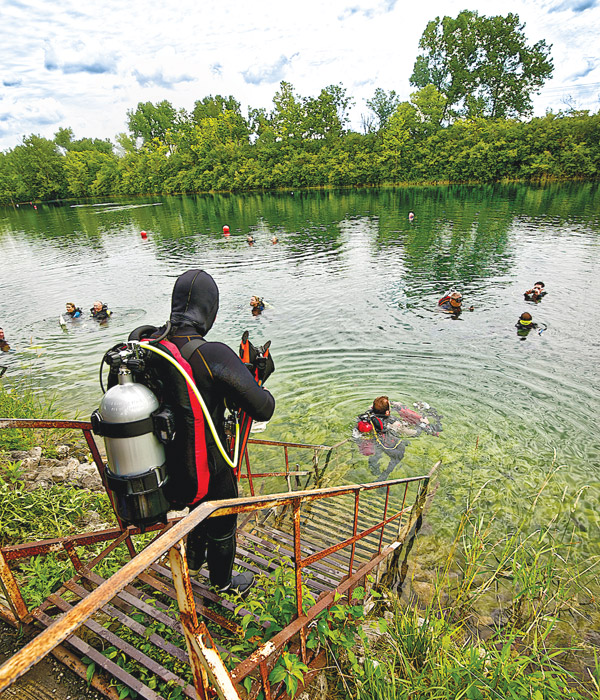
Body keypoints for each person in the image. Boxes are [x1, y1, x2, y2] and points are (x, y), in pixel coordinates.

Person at [157, 270, 275, 594]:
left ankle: (193, 562)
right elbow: (263, 407)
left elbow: (196, 387)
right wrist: (262, 373)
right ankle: (223, 583)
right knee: (222, 522)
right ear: (210, 308)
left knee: (196, 510)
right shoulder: (211, 354)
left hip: (167, 465)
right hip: (208, 466)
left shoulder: (153, 345)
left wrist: (241, 373)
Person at [353, 396, 441, 480]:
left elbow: (375, 406)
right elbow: (414, 433)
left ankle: (373, 467)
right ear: (387, 412)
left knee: (377, 452)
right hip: (388, 443)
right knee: (398, 456)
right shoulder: (393, 423)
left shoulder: (369, 415)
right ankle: (385, 475)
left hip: (374, 441)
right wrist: (423, 423)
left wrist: (391, 403)